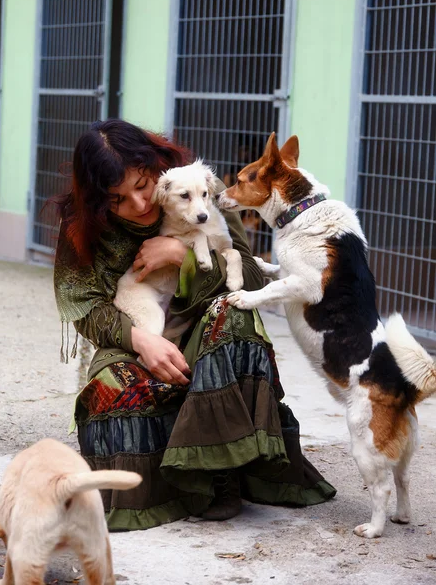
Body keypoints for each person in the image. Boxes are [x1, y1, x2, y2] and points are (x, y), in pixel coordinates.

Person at [53, 118, 336, 531]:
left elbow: (254, 278)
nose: (138, 204)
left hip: (205, 316)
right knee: (115, 389)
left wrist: (178, 256)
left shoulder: (201, 190)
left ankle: (221, 470)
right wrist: (141, 341)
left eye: (143, 184)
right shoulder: (81, 224)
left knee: (234, 318)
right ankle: (169, 483)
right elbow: (87, 305)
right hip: (135, 325)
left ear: (156, 168)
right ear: (98, 201)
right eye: (117, 199)